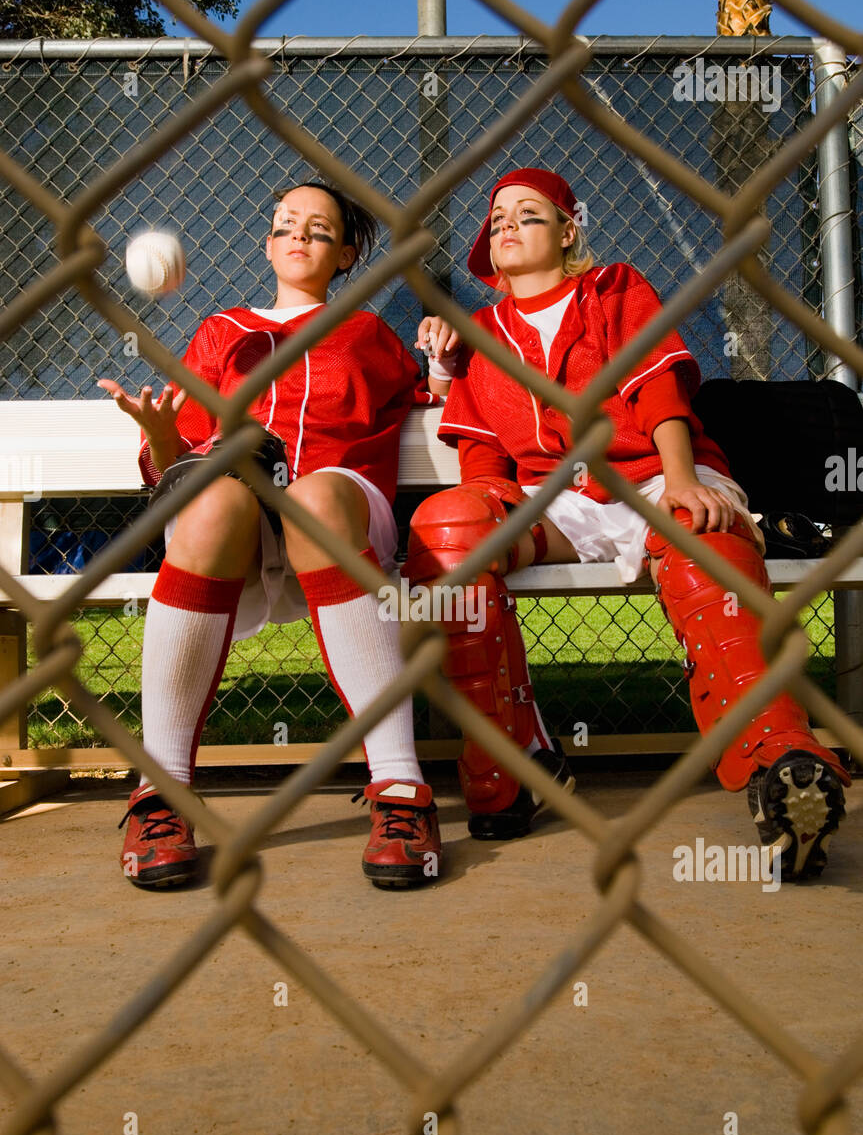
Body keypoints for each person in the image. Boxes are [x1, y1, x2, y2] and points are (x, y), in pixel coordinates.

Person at [405, 167, 849, 880]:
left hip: (650, 469)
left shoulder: (613, 288)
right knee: (451, 531)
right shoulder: (477, 333)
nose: (508, 225)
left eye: (529, 213)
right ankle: (510, 763)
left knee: (697, 537)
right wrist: (473, 479)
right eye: (497, 220)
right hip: (558, 499)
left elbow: (655, 385)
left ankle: (780, 764)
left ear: (567, 230)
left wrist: (678, 481)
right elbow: (483, 455)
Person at [99, 181, 443, 890]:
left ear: (346, 254)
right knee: (214, 501)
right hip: (242, 522)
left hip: (340, 509)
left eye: (319, 230)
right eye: (285, 223)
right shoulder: (224, 331)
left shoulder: (367, 334)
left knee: (314, 494)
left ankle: (402, 790)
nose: (298, 236)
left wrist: (440, 364)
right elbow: (179, 468)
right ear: (267, 242)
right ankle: (159, 792)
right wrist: (165, 441)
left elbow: (432, 406)